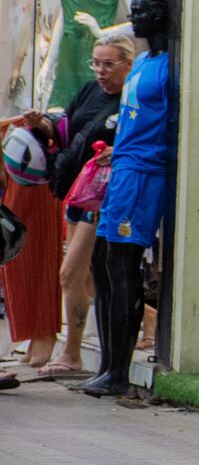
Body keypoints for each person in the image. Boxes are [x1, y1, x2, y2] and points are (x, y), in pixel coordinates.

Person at [24, 36, 133, 379]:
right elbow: (65, 127)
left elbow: (144, 139)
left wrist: (118, 153)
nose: (101, 71)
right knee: (85, 277)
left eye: (109, 64)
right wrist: (40, 124)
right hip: (77, 190)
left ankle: (72, 354)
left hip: (104, 195)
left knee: (70, 272)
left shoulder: (133, 100)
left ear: (129, 65)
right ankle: (149, 321)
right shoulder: (89, 90)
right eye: (96, 63)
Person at [82, 0, 170, 398]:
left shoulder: (171, 66)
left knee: (122, 264)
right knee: (103, 262)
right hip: (125, 168)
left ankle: (117, 372)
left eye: (143, 11)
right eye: (133, 10)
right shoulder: (145, 62)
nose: (135, 18)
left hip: (145, 173)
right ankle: (108, 364)